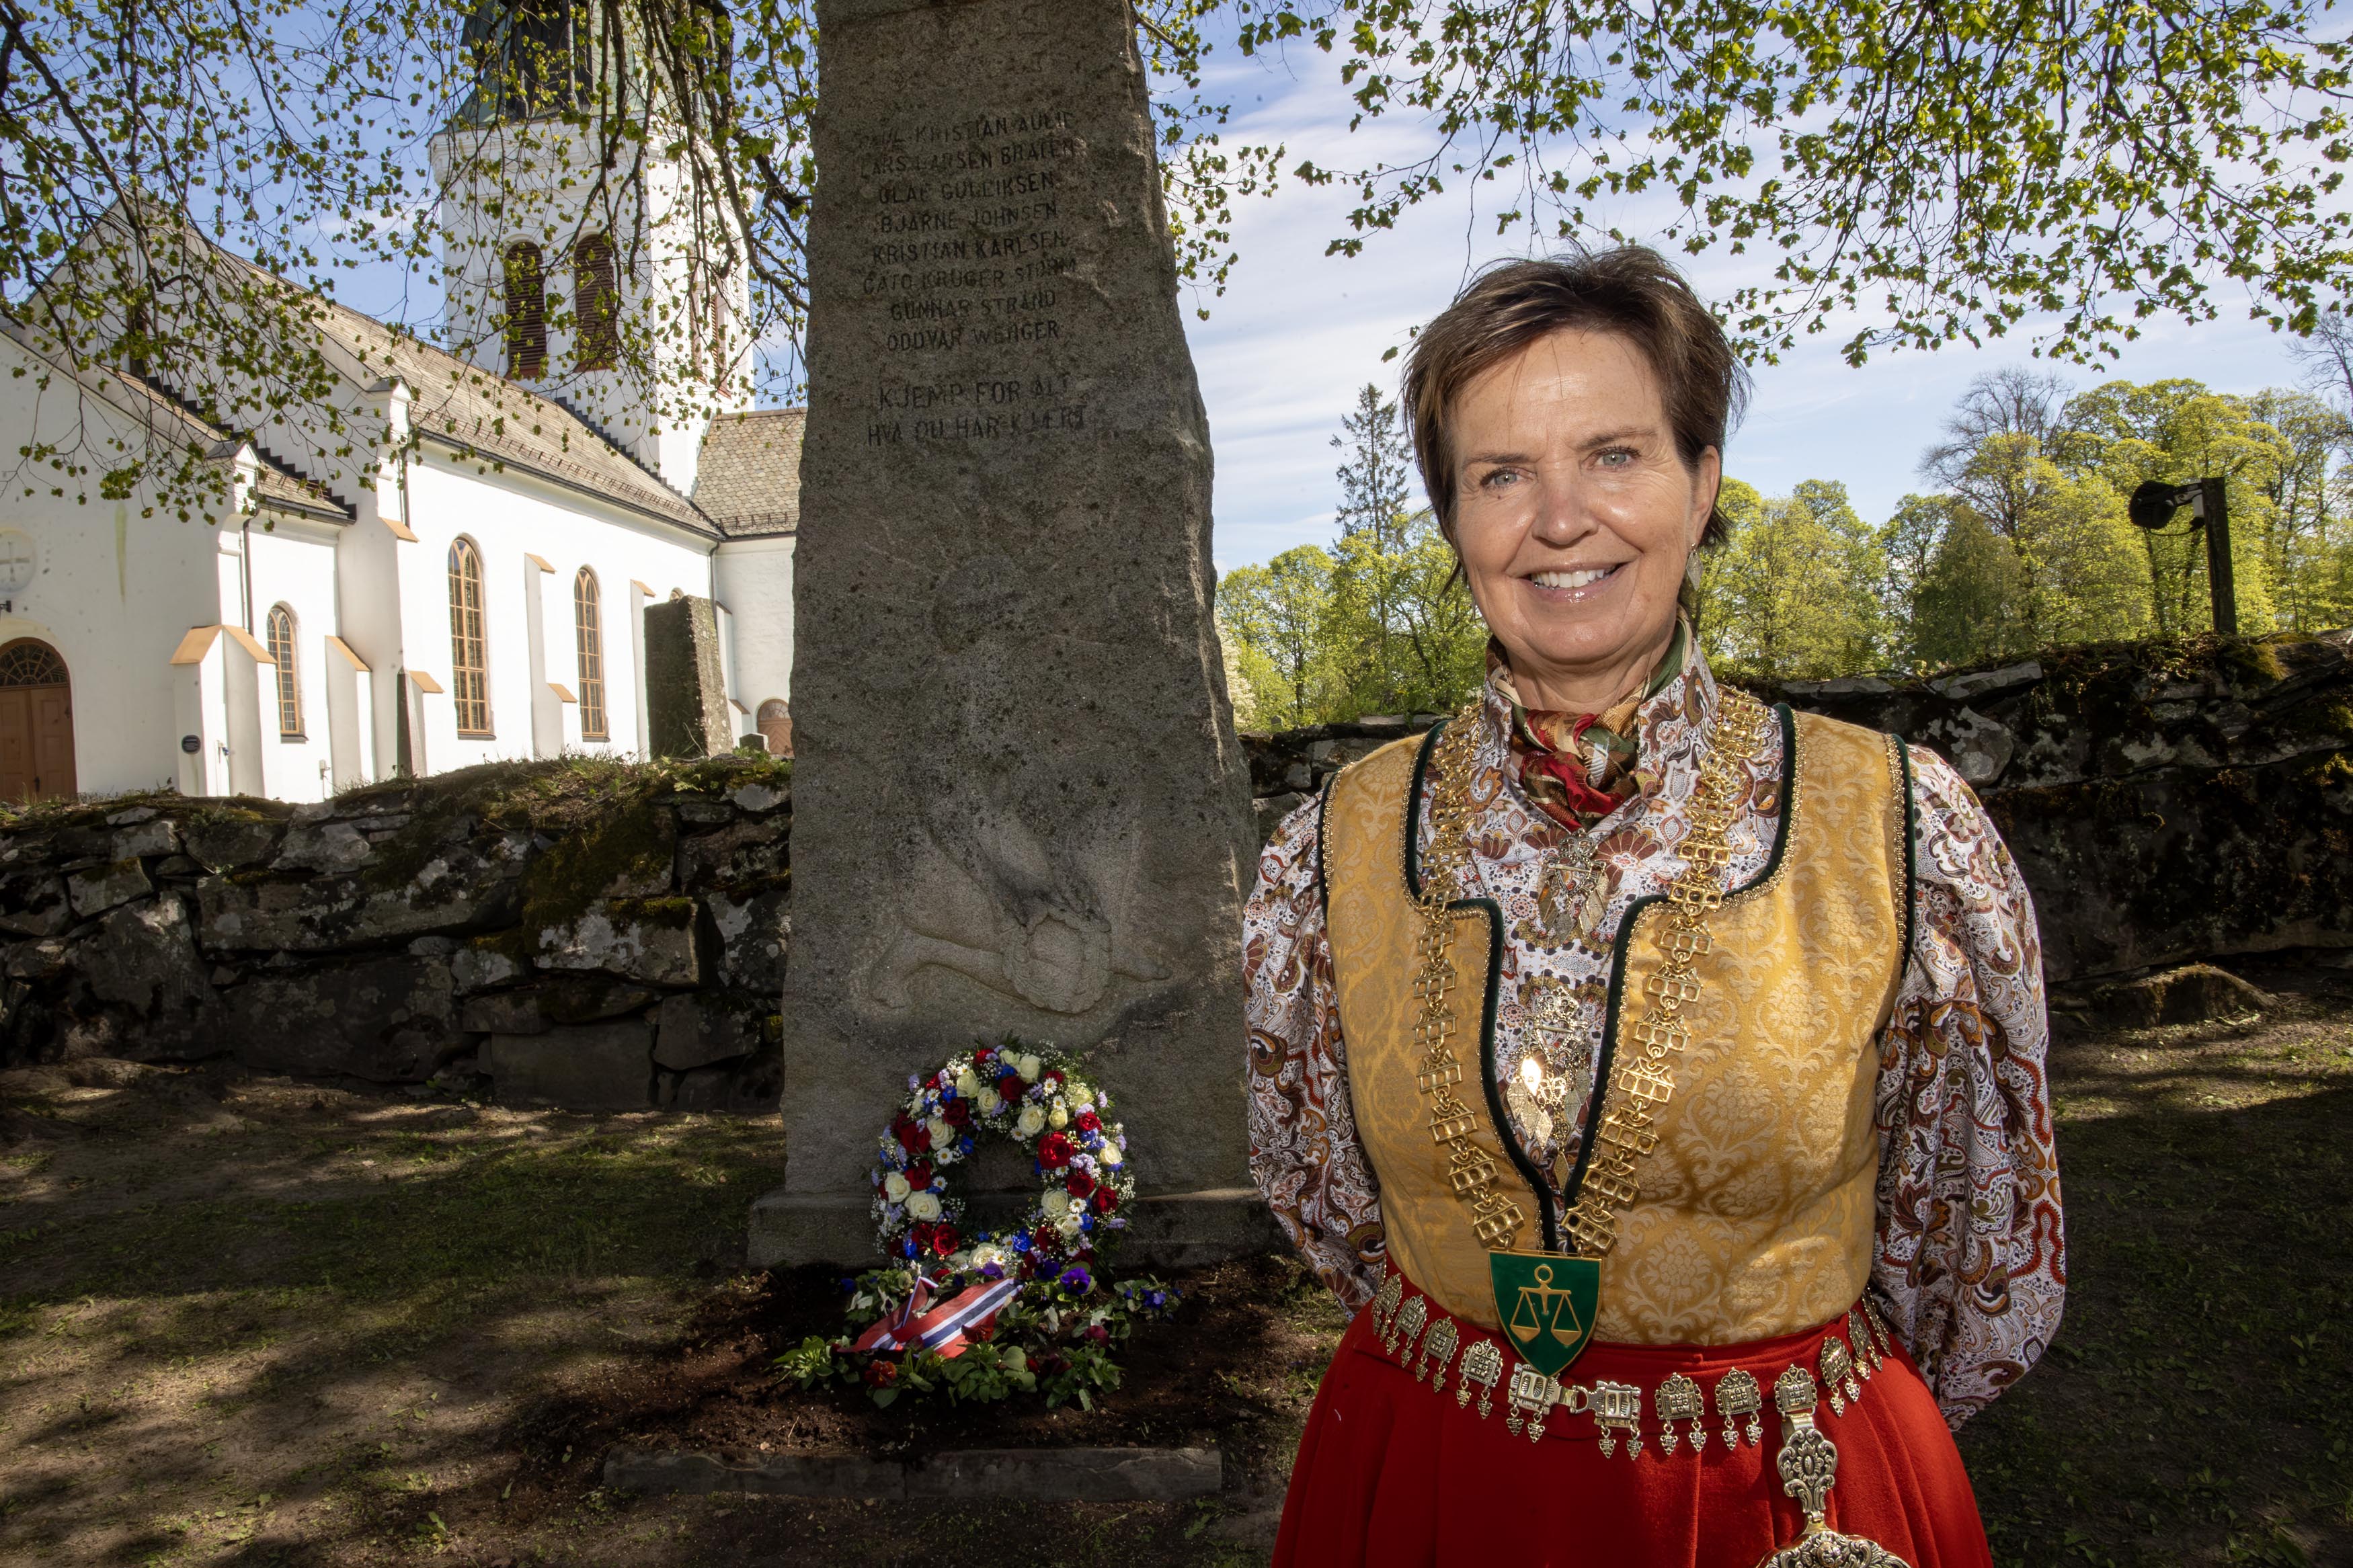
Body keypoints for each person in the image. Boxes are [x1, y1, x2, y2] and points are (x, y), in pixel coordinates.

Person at [1243, 248, 2063, 1568]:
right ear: (1454, 521)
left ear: (1702, 484)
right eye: (1499, 473)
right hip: (1437, 1477)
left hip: (1780, 1492)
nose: (1558, 517)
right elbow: (1319, 1190)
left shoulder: (1899, 831)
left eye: (1614, 455)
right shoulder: (1324, 849)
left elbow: (1971, 1230)